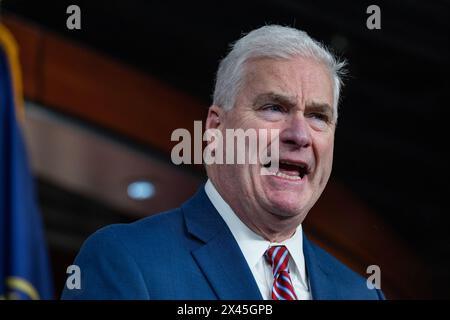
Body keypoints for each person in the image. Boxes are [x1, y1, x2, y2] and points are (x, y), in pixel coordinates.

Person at [62, 25, 385, 300]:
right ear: (216, 129)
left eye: (318, 116)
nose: (299, 135)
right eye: (274, 107)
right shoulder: (125, 261)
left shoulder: (362, 293)